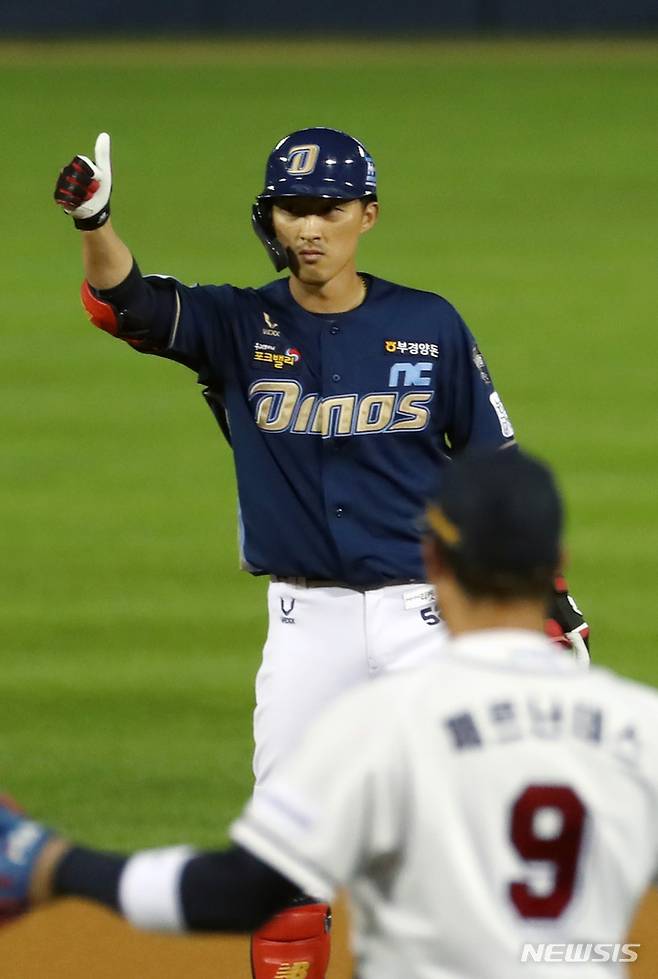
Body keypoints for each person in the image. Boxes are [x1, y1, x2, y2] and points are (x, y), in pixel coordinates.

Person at [51, 129, 589, 976]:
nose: (309, 227)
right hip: (308, 628)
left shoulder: (428, 323)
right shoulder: (237, 323)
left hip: (428, 620)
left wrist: (547, 598)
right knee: (283, 866)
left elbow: (497, 471)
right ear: (270, 219)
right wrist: (95, 219)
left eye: (328, 209)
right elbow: (128, 306)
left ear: (366, 214)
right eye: (291, 209)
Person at [1, 450, 652, 979]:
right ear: (558, 566)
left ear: (431, 561)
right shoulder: (640, 725)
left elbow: (239, 890)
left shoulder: (379, 723)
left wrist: (51, 862)